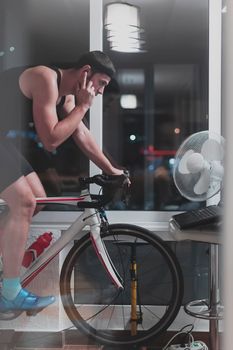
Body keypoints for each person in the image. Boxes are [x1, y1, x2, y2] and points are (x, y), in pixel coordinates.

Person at [0, 51, 124, 314]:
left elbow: (81, 133)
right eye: (101, 83)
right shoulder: (44, 77)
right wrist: (83, 106)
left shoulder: (67, 96)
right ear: (85, 72)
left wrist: (112, 170)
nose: (100, 92)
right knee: (24, 201)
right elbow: (51, 139)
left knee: (37, 200)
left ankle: (5, 264)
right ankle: (9, 293)